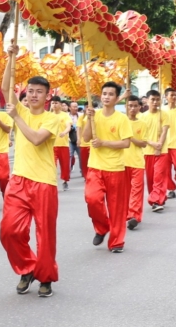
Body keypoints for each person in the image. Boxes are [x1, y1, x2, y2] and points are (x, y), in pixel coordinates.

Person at [0, 73, 69, 298]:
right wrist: (10, 57)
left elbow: (37, 138)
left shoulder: (52, 118)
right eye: (30, 91)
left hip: (44, 182)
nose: (33, 95)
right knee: (9, 231)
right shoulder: (20, 110)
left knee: (45, 235)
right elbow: (4, 86)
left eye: (39, 92)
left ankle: (46, 277)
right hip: (19, 180)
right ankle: (28, 267)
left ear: (47, 96)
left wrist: (16, 117)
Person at [82, 81, 132, 253]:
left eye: (111, 94)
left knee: (116, 208)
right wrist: (89, 119)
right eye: (104, 94)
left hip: (116, 168)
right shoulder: (93, 115)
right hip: (95, 167)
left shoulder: (122, 119)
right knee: (92, 199)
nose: (106, 97)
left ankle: (117, 242)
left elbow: (126, 143)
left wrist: (104, 142)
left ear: (117, 98)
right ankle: (102, 228)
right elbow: (86, 137)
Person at [123, 95, 148, 231]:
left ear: (139, 107)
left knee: (136, 190)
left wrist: (130, 138)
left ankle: (134, 215)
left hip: (137, 162)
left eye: (135, 106)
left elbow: (143, 143)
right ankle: (127, 213)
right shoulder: (121, 121)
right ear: (126, 106)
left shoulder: (142, 124)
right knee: (125, 191)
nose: (132, 108)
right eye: (130, 105)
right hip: (122, 162)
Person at [141, 90, 170, 210]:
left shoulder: (163, 114)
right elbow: (141, 135)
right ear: (147, 100)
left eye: (157, 99)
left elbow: (164, 131)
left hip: (162, 151)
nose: (155, 102)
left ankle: (155, 201)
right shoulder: (142, 117)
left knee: (159, 176)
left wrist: (159, 146)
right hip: (147, 151)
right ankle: (159, 197)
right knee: (151, 178)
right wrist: (153, 144)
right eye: (152, 99)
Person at [50, 99, 73, 191]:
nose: (54, 105)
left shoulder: (65, 116)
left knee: (65, 165)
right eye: (53, 103)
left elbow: (68, 127)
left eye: (56, 103)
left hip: (63, 145)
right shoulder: (48, 116)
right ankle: (52, 182)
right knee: (51, 165)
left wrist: (64, 132)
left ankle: (65, 181)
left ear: (60, 104)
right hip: (51, 145)